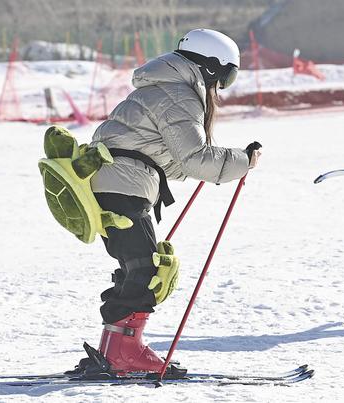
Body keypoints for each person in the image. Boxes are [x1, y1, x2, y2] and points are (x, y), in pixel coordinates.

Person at [77, 28, 261, 375]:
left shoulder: (159, 89)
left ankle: (113, 349)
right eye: (226, 77)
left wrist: (226, 162)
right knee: (147, 270)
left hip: (113, 182)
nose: (221, 87)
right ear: (209, 67)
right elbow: (194, 157)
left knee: (138, 266)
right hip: (124, 185)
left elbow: (171, 157)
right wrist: (241, 161)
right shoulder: (179, 94)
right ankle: (123, 356)